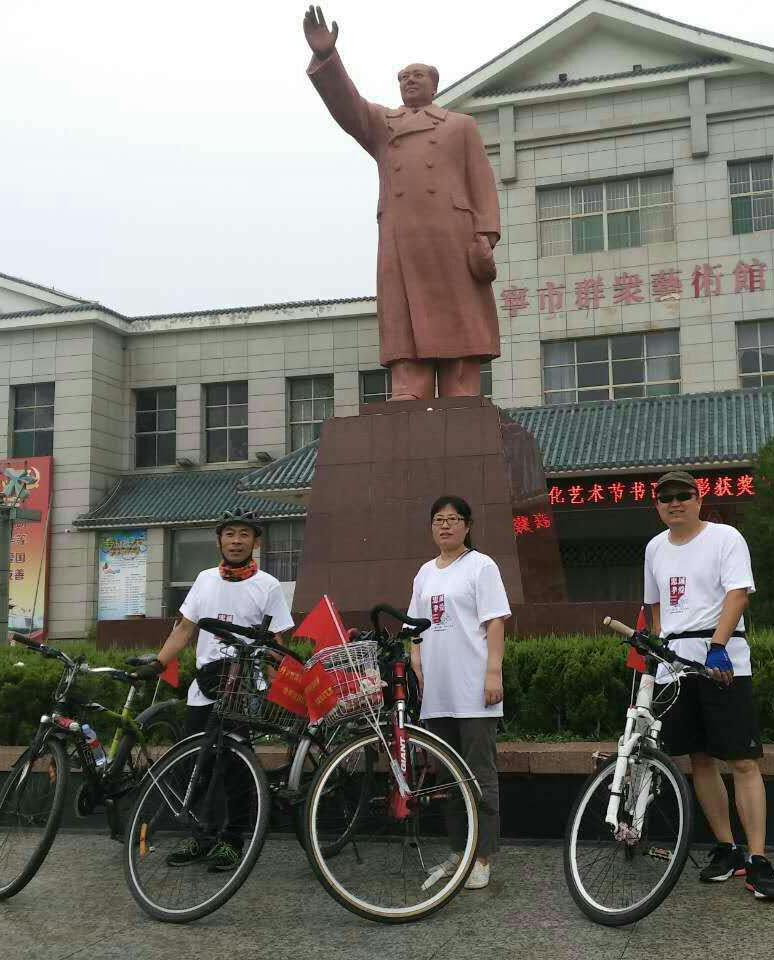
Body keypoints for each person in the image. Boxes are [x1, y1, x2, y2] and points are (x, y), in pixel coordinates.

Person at [302, 5, 501, 401]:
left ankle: (461, 385)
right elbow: (348, 106)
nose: (410, 80)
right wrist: (327, 57)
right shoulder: (383, 124)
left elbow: (481, 182)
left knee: (459, 310)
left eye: (418, 75)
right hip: (401, 234)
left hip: (452, 234)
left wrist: (486, 234)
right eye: (403, 77)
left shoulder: (460, 125)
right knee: (402, 311)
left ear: (434, 84)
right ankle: (410, 385)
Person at [642, 471, 774, 901]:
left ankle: (758, 858)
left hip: (722, 663)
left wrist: (718, 646)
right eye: (666, 497)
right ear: (657, 505)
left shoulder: (725, 538)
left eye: (683, 495)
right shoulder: (654, 547)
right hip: (676, 669)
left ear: (699, 499)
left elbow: (738, 594)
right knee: (699, 759)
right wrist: (659, 646)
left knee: (742, 760)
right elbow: (654, 605)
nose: (675, 503)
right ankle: (728, 848)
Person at [136, 509, 295, 872]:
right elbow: (183, 630)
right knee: (195, 763)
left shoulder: (268, 585)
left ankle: (232, 839)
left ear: (256, 542)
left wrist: (282, 684)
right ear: (219, 540)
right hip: (205, 685)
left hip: (243, 687)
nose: (236, 541)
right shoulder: (204, 579)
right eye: (230, 534)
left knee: (235, 766)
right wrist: (157, 664)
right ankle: (200, 835)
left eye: (244, 535)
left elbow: (276, 642)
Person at [407, 495, 511, 891]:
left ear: (467, 525)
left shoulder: (481, 566)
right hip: (438, 692)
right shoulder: (424, 573)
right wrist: (416, 658)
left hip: (474, 689)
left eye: (453, 519)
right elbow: (415, 625)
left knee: (479, 774)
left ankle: (481, 856)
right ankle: (459, 850)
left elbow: (496, 622)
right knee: (448, 776)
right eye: (439, 519)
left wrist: (493, 672)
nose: (445, 526)